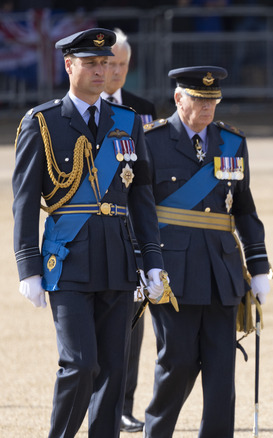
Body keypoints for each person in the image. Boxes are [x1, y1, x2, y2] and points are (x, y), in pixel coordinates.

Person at [12, 28, 166, 438]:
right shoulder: (42, 122)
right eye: (91, 63)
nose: (102, 70)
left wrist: (152, 261)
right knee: (79, 363)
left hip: (118, 259)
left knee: (114, 369)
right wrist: (27, 267)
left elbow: (142, 198)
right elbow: (25, 201)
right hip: (68, 259)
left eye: (106, 63)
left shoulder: (127, 122)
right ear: (69, 65)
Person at [142, 66, 271, 437]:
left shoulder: (231, 141)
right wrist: (143, 265)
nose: (207, 107)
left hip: (222, 274)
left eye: (213, 100)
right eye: (199, 100)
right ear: (179, 98)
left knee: (220, 372)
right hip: (173, 273)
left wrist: (258, 266)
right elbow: (139, 211)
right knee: (176, 364)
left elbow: (244, 209)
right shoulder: (152, 140)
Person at [100, 27, 158, 434]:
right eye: (110, 64)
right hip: (92, 228)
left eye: (122, 64)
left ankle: (123, 404)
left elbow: (147, 176)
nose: (116, 71)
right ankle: (94, 401)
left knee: (132, 326)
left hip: (133, 230)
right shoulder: (81, 108)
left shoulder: (142, 109)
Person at [102, 28, 157, 125]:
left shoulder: (145, 109)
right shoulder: (85, 106)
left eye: (123, 64)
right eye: (112, 64)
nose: (118, 71)